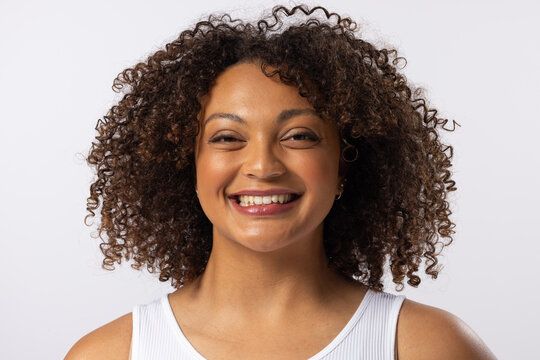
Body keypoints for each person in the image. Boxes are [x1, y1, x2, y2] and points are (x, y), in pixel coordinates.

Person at [65, 4, 496, 360]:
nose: (263, 165)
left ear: (346, 164)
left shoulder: (428, 347)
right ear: (185, 164)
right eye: (228, 137)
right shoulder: (110, 353)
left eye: (299, 136)